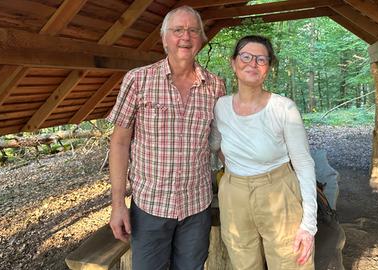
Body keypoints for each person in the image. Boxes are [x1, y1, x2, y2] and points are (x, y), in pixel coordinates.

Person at [106, 5, 225, 270]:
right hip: (150, 206)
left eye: (194, 30)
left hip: (197, 205)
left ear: (202, 39)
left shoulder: (216, 85)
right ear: (164, 39)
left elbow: (219, 142)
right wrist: (117, 204)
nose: (186, 37)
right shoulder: (138, 80)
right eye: (178, 30)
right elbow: (119, 142)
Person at [209, 35, 317, 270]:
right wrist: (237, 168)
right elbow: (214, 144)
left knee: (291, 262)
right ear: (233, 62)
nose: (253, 64)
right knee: (243, 262)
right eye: (246, 56)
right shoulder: (221, 106)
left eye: (261, 59)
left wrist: (309, 224)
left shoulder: (283, 108)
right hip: (234, 195)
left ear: (268, 67)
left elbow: (304, 164)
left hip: (278, 191)